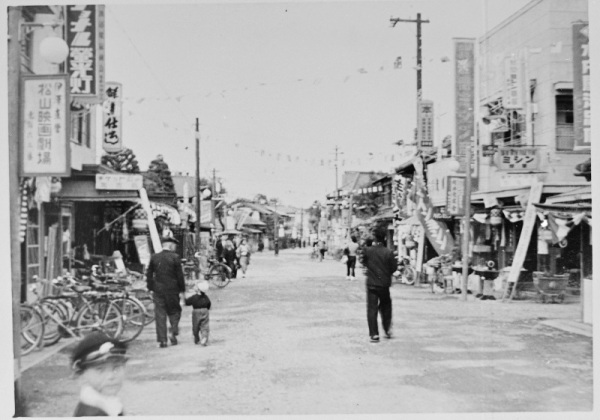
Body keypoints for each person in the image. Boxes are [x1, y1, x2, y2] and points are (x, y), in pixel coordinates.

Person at [70, 332, 128, 416]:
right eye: (100, 370)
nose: (111, 376)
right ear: (83, 375)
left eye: (116, 368)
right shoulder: (93, 414)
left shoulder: (107, 403)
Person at [146, 236, 186, 348]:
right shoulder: (175, 257)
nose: (175, 247)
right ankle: (173, 331)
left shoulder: (154, 257)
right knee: (175, 311)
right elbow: (180, 276)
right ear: (170, 245)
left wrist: (150, 288)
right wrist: (182, 291)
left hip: (158, 290)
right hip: (173, 290)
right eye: (174, 245)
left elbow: (149, 274)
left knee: (160, 314)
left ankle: (162, 341)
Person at [361, 229, 398, 343]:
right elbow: (394, 268)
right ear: (385, 238)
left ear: (375, 238)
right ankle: (387, 330)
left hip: (371, 283)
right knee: (386, 307)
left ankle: (374, 334)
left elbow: (364, 262)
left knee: (372, 308)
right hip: (384, 284)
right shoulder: (388, 252)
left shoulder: (367, 250)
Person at [185, 281, 212, 346]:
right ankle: (204, 337)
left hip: (196, 312)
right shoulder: (206, 297)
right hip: (205, 311)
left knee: (195, 326)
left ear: (198, 289)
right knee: (204, 326)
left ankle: (197, 339)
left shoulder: (194, 297)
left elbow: (187, 302)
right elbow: (209, 304)